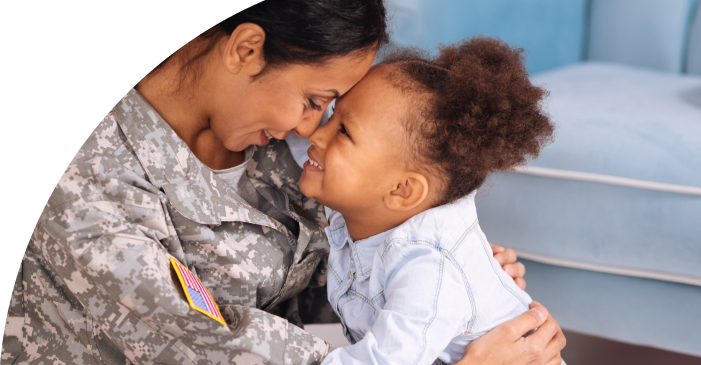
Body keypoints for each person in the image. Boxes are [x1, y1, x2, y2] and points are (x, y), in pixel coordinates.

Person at [1, 1, 565, 364]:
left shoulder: (270, 139)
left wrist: (426, 287)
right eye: (315, 101)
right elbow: (216, 342)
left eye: (332, 111)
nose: (310, 128)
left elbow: (308, 267)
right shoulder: (89, 186)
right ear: (246, 48)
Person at [296, 37, 561, 365]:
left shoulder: (428, 270)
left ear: (403, 190)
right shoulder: (370, 212)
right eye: (333, 116)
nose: (315, 134)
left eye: (344, 132)